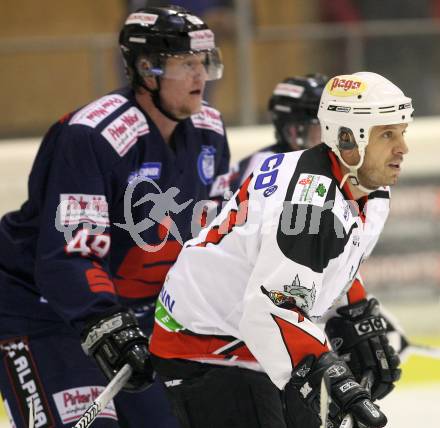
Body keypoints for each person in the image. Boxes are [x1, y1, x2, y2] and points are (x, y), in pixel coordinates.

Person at [0, 5, 229, 428]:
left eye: (204, 62)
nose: (200, 77)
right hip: (41, 313)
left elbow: (210, 240)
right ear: (147, 69)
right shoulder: (93, 135)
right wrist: (105, 322)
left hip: (130, 318)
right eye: (185, 64)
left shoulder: (209, 132)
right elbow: (69, 253)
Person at [149, 71, 411, 428]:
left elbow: (334, 257)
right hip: (205, 340)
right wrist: (331, 373)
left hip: (249, 331)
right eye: (387, 135)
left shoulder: (367, 187)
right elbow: (268, 312)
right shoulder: (310, 207)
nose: (403, 148)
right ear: (348, 138)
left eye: (401, 132)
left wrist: (357, 310)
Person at [229, 73, 328, 193]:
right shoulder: (263, 166)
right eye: (321, 127)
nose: (327, 137)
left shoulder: (322, 161)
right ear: (293, 132)